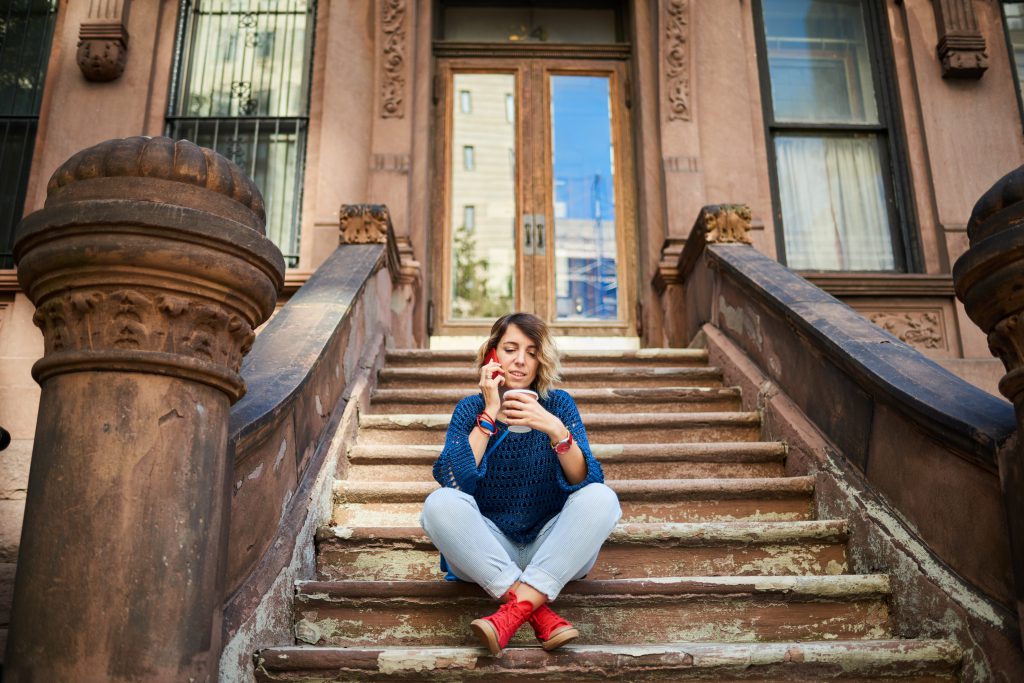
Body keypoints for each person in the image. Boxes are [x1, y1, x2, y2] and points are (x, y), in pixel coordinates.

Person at [420, 312, 621, 656]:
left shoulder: (558, 404)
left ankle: (511, 612)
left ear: (540, 359)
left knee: (602, 498)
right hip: (488, 549)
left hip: (554, 545)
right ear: (492, 354)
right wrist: (490, 410)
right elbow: (455, 481)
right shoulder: (470, 409)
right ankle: (536, 609)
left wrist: (556, 430)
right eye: (510, 348)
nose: (520, 360)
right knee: (439, 504)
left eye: (531, 351)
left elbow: (587, 480)